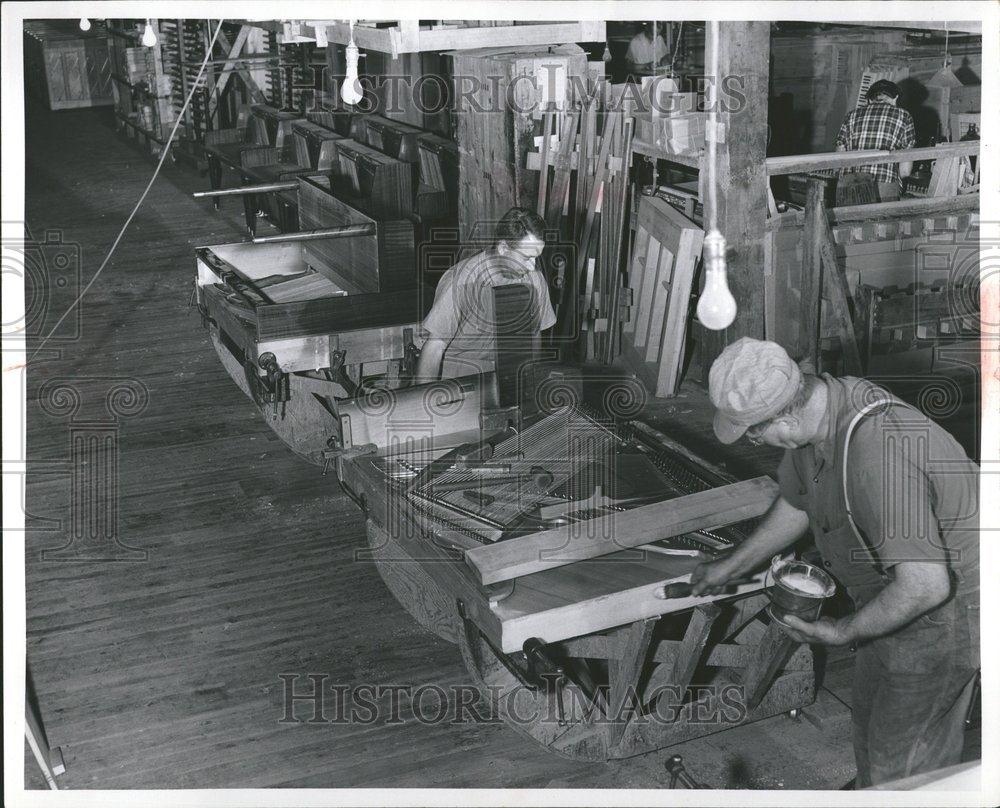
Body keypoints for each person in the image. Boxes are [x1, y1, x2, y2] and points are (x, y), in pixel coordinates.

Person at [691, 337, 979, 788]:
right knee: (868, 731)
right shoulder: (818, 413)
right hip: (892, 592)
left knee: (905, 764)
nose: (755, 441)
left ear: (784, 418)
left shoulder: (878, 454)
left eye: (753, 432)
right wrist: (731, 564)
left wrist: (840, 631)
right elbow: (799, 502)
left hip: (949, 611)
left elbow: (926, 587)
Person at [414, 207, 556, 381]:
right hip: (458, 376)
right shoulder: (462, 281)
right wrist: (425, 400)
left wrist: (529, 381)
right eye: (526, 258)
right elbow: (435, 347)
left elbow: (534, 335)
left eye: (536, 257)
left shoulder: (534, 280)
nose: (532, 266)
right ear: (503, 248)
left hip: (505, 373)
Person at [835, 79, 916, 202]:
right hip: (883, 183)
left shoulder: (851, 115)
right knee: (881, 221)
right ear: (896, 98)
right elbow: (905, 171)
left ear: (869, 100)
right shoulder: (904, 116)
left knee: (849, 220)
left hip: (849, 181)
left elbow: (839, 156)